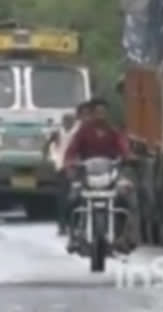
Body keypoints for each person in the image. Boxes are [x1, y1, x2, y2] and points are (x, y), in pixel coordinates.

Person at [63, 97, 135, 251]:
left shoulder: (113, 132)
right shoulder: (83, 132)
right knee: (72, 199)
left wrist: (128, 157)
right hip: (86, 176)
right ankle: (73, 235)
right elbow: (71, 151)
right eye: (97, 112)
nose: (100, 115)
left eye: (103, 112)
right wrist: (70, 163)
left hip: (110, 175)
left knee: (125, 198)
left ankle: (125, 236)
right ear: (92, 113)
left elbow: (123, 147)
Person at [47, 101, 92, 235]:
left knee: (78, 197)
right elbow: (47, 146)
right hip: (62, 167)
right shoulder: (58, 133)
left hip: (77, 167)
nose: (67, 122)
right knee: (63, 198)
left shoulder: (79, 131)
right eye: (65, 120)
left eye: (69, 120)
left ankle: (77, 223)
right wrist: (52, 157)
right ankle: (62, 225)